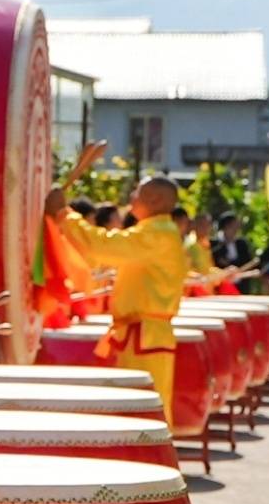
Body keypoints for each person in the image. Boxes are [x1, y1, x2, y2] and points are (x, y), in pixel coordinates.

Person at [54, 173, 197, 429]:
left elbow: (103, 247)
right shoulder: (155, 232)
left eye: (137, 192)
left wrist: (65, 215)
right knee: (138, 407)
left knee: (143, 408)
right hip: (139, 333)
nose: (131, 197)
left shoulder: (156, 235)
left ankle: (149, 451)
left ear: (154, 200)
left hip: (144, 335)